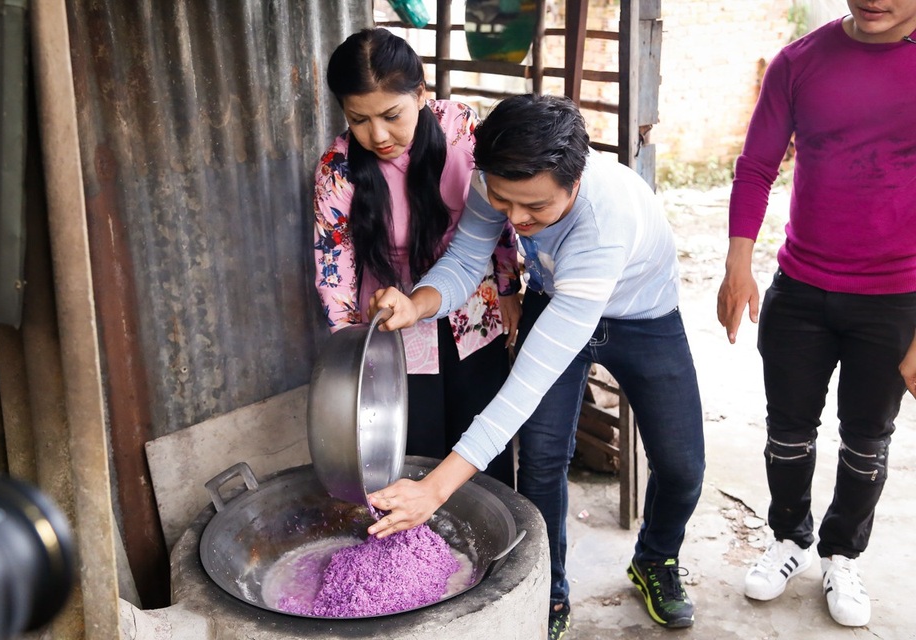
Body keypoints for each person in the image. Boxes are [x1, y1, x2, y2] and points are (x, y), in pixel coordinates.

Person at [365, 94, 706, 637]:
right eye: (505, 202)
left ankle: (655, 558)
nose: (518, 223)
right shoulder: (494, 181)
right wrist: (418, 302)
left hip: (644, 318)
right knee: (543, 460)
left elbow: (525, 387)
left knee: (683, 467)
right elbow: (467, 259)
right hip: (556, 298)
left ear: (575, 180)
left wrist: (435, 487)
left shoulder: (602, 224)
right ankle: (549, 589)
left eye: (536, 209)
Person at [716, 1, 916, 628]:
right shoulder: (800, 62)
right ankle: (790, 539)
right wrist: (738, 262)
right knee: (788, 430)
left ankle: (841, 552)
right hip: (801, 287)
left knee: (866, 440)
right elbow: (756, 166)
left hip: (896, 296)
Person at [313, 28, 522, 487]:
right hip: (393, 323)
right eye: (359, 119)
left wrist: (508, 285)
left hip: (473, 306)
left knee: (484, 442)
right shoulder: (339, 165)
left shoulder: (461, 127)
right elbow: (334, 265)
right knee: (417, 449)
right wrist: (353, 346)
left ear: (422, 93)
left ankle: (498, 546)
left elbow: (501, 207)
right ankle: (421, 549)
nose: (378, 135)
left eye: (391, 115)